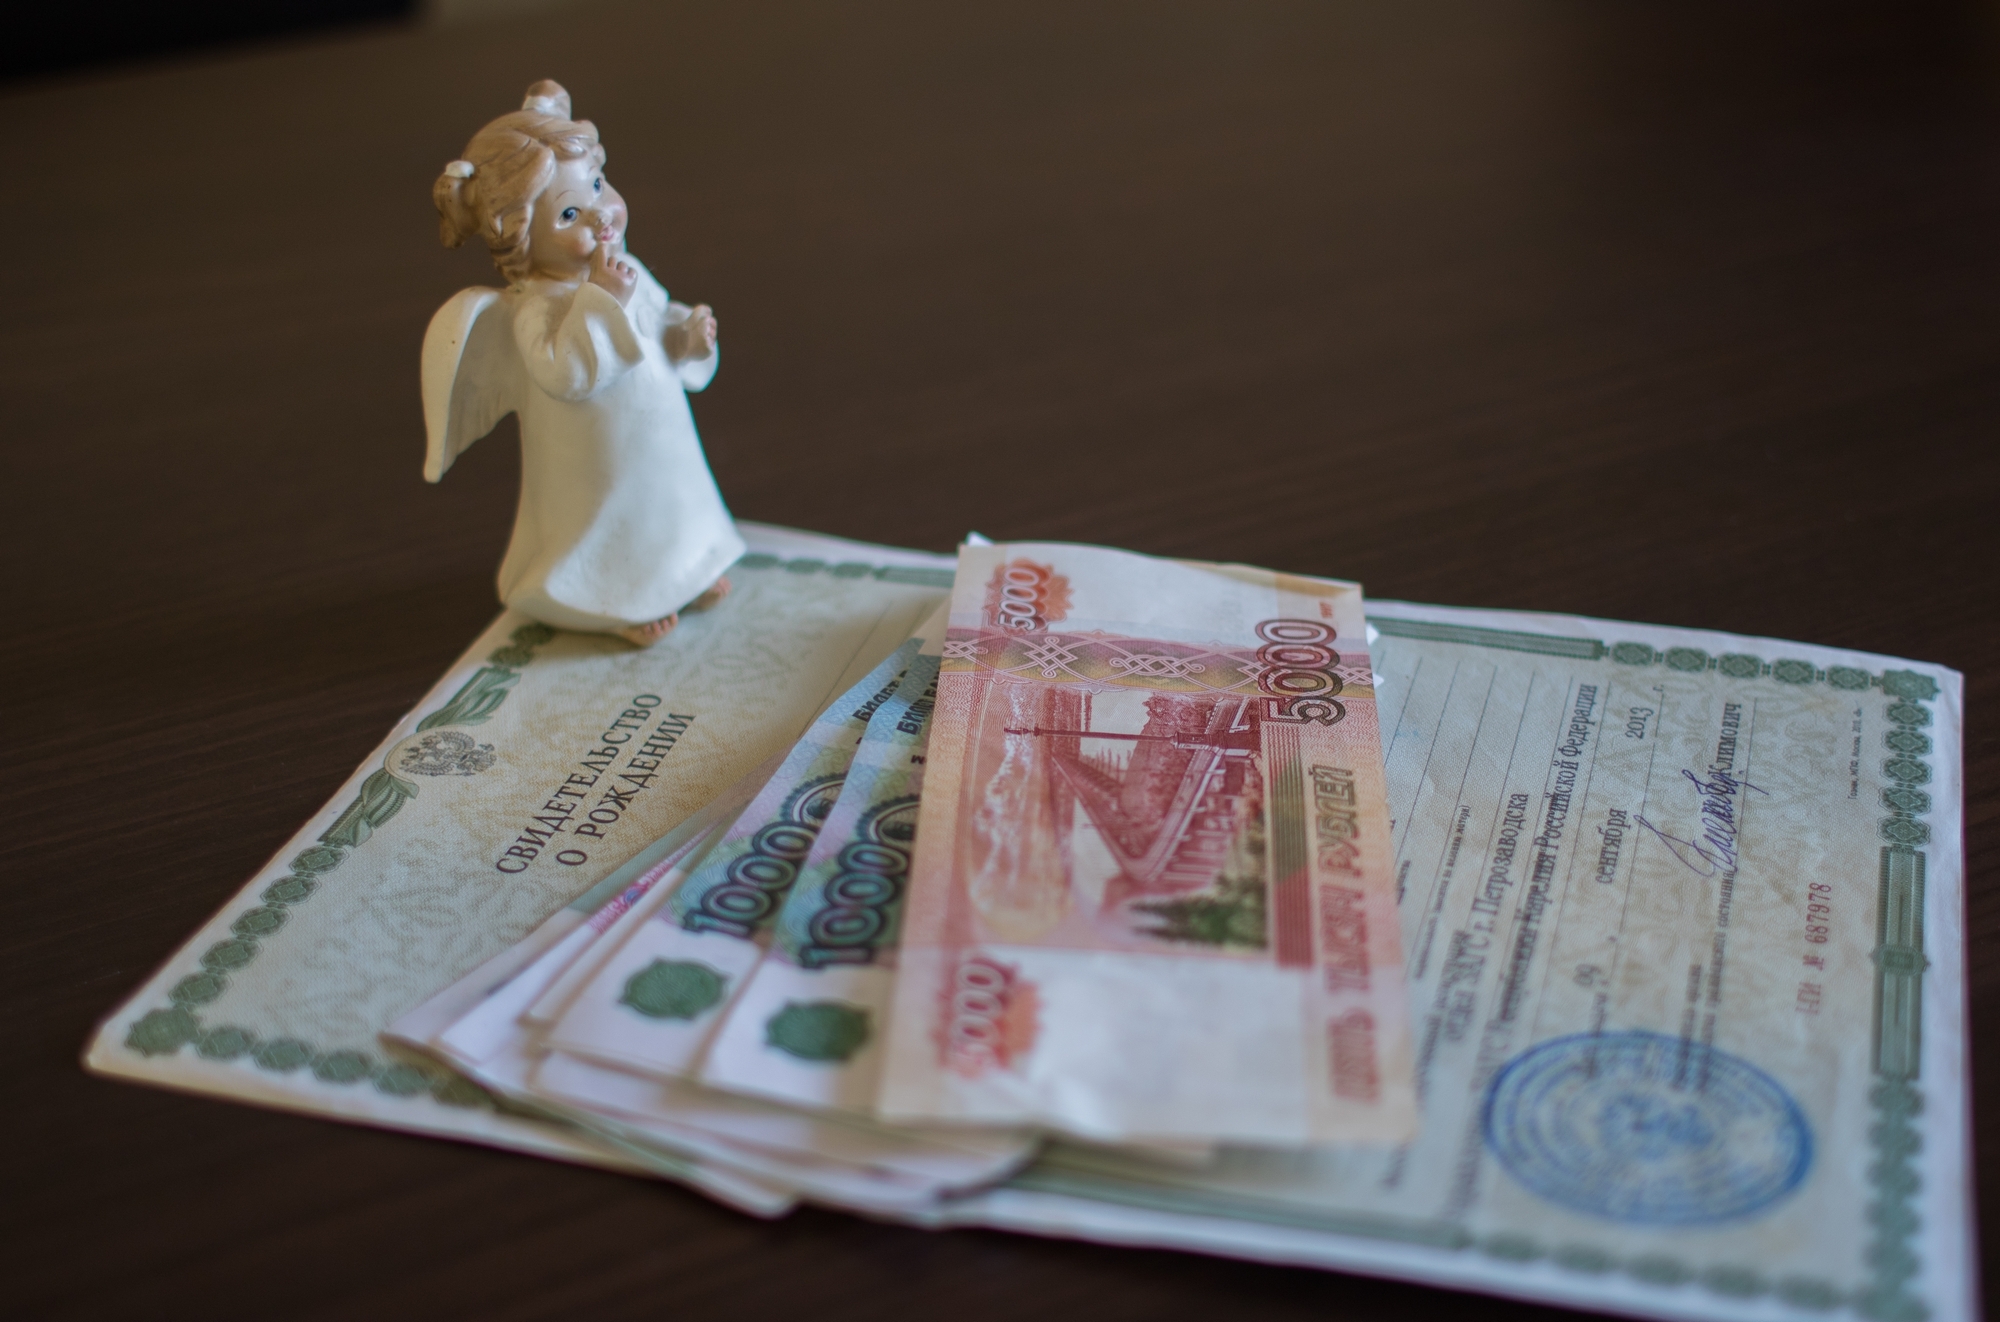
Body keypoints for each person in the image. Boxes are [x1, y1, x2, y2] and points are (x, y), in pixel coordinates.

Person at [426, 80, 742, 646]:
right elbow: (564, 375)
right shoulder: (533, 308)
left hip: (657, 438)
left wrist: (686, 339)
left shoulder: (626, 267)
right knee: (610, 518)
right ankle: (615, 603)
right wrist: (599, 299)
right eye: (569, 213)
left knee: (669, 497)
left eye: (597, 185)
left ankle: (684, 571)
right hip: (592, 456)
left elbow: (656, 324)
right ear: (523, 239)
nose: (600, 217)